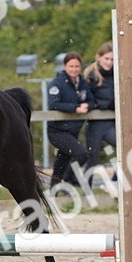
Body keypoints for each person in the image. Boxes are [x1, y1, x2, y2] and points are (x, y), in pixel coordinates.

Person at [45, 51, 90, 190]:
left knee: (62, 160)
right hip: (57, 130)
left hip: (73, 130)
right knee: (81, 154)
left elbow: (91, 99)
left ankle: (55, 188)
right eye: (71, 66)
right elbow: (54, 104)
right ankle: (67, 179)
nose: (74, 69)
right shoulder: (56, 83)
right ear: (65, 66)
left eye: (77, 66)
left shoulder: (82, 83)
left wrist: (88, 105)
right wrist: (75, 108)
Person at [82, 43, 116, 174]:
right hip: (95, 122)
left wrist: (105, 103)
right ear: (99, 58)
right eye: (107, 58)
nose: (109, 62)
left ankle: (117, 180)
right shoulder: (90, 76)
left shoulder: (117, 75)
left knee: (124, 148)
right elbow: (88, 99)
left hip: (111, 121)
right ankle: (85, 187)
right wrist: (101, 104)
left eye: (112, 59)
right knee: (93, 158)